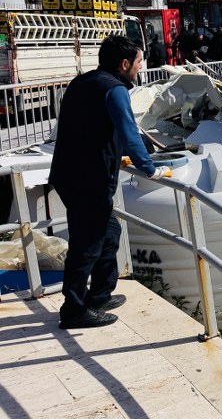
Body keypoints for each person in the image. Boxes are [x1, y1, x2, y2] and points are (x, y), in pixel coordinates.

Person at [49, 36, 169, 329]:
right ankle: (74, 309)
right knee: (87, 243)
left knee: (109, 231)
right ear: (124, 64)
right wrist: (150, 168)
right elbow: (129, 134)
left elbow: (92, 127)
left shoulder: (83, 82)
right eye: (139, 62)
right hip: (89, 179)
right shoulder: (114, 90)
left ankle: (99, 296)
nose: (141, 68)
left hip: (68, 173)